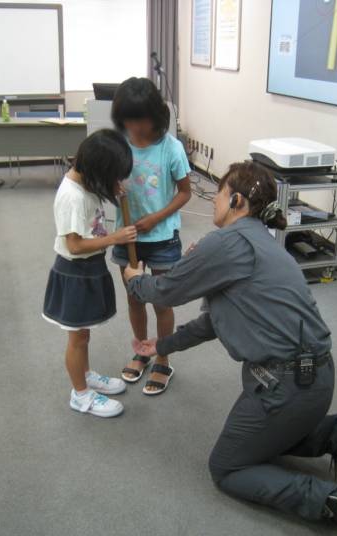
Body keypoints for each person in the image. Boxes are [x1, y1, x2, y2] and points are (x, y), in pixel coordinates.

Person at [123, 161, 337, 525]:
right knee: (256, 439)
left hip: (285, 387)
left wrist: (134, 280)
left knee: (227, 466)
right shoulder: (260, 242)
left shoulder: (228, 242)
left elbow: (166, 290)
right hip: (313, 379)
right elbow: (213, 323)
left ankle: (326, 500)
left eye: (219, 194)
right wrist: (162, 346)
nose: (212, 202)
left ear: (236, 200)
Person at [42, 129, 137, 418]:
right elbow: (75, 244)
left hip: (89, 267)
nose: (116, 181)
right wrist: (115, 238)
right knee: (77, 337)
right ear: (98, 169)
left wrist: (112, 189)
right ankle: (80, 395)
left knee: (84, 334)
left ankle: (85, 375)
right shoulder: (72, 196)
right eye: (113, 175)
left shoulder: (85, 183)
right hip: (75, 271)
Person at [110, 77, 192, 395]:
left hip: (161, 238)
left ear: (155, 115)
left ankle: (162, 358)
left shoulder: (171, 148)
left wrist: (155, 218)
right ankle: (142, 351)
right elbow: (108, 180)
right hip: (127, 236)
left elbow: (184, 193)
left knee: (161, 301)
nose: (135, 127)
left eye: (140, 120)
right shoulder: (120, 143)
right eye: (128, 120)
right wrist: (111, 186)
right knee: (134, 298)